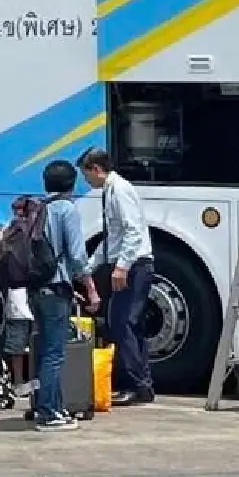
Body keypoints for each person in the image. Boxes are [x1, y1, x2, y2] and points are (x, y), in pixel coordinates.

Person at [80, 148, 155, 407]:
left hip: (134, 264)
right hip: (128, 262)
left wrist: (122, 266)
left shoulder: (120, 190)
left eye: (86, 174)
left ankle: (137, 385)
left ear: (96, 169)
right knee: (124, 323)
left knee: (124, 323)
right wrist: (90, 266)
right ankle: (140, 383)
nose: (86, 181)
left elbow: (133, 231)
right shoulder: (110, 191)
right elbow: (112, 235)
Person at [33, 160, 102, 431]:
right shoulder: (66, 210)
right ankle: (48, 414)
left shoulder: (38, 208)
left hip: (35, 288)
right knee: (55, 353)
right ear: (71, 185)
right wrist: (91, 288)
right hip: (55, 288)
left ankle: (50, 405)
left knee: (43, 351)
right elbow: (76, 255)